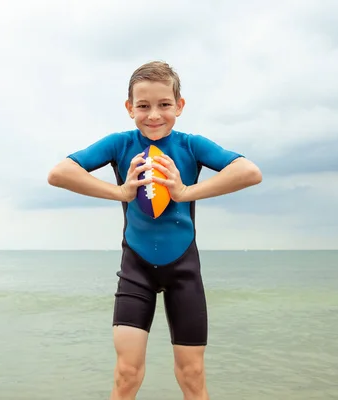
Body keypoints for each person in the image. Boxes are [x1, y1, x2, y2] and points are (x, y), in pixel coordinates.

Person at [47, 61, 262, 400]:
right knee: (127, 374)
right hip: (137, 271)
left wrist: (185, 192)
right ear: (129, 107)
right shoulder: (119, 144)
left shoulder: (192, 145)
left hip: (184, 272)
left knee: (192, 375)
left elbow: (249, 171)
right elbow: (60, 173)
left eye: (164, 104)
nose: (154, 115)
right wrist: (120, 192)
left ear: (179, 105)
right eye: (143, 106)